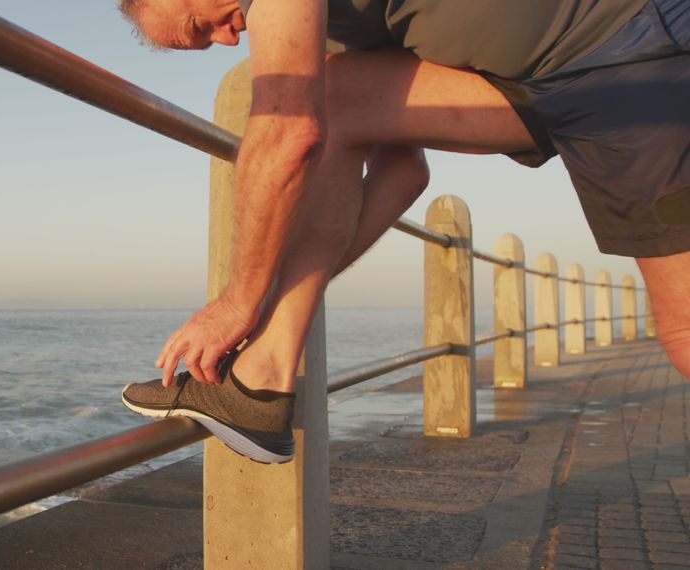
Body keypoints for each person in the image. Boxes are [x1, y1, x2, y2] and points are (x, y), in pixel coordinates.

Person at [118, 0, 690, 464]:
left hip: (631, 49)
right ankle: (261, 379)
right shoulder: (336, 24)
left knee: (684, 327)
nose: (228, 43)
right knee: (336, 97)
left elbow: (288, 131)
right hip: (538, 85)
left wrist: (236, 303)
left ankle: (259, 366)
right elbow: (403, 172)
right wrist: (265, 301)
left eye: (199, 26)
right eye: (202, 44)